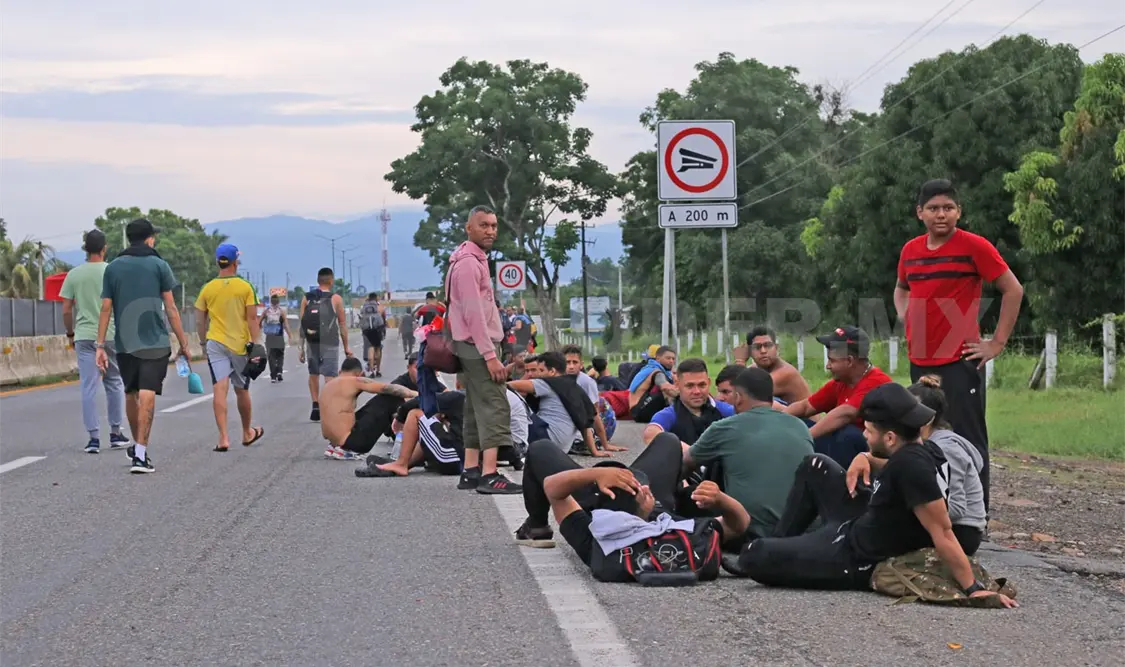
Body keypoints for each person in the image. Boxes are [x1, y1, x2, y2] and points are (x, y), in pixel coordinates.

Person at [734, 383, 1017, 609]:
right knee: (815, 464)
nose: (865, 437)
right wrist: (865, 457)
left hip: (856, 558)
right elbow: (890, 465)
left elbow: (943, 531)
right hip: (857, 523)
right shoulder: (923, 450)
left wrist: (973, 589)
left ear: (891, 437)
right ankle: (783, 542)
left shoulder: (912, 468)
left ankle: (777, 549)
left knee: (754, 555)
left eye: (868, 432)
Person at [895, 179, 1024, 509]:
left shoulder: (974, 246)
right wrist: (907, 316)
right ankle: (934, 507)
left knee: (967, 437)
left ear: (959, 212)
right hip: (921, 357)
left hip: (959, 359)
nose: (942, 215)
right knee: (922, 431)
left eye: (948, 208)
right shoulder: (910, 250)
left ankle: (975, 516)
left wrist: (997, 343)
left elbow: (1013, 289)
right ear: (919, 213)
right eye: (934, 208)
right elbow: (902, 288)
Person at [514, 432, 750, 572]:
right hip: (651, 505)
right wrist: (720, 498)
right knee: (668, 440)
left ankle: (537, 527)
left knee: (539, 448)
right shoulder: (671, 528)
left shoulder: (592, 539)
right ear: (648, 500)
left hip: (592, 494)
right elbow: (739, 523)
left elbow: (553, 488)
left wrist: (595, 476)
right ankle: (679, 490)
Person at [847, 375, 986, 553]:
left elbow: (957, 508)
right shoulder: (916, 446)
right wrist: (865, 457)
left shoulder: (946, 449)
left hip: (962, 532)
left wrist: (911, 504)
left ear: (925, 418)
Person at [95, 218, 191, 474]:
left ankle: (138, 448)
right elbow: (170, 307)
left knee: (131, 392)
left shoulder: (113, 267)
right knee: (148, 390)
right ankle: (140, 453)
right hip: (155, 341)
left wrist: (100, 345)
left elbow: (105, 307)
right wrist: (183, 341)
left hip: (125, 343)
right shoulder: (159, 265)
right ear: (149, 238)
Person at [684, 367, 814, 539]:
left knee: (694, 490)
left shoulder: (724, 427)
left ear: (738, 397)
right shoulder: (800, 426)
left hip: (748, 530)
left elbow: (685, 464)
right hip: (801, 531)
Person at [446, 204, 521, 494]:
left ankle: (471, 470)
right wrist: (490, 356)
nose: (490, 230)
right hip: (478, 346)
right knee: (494, 404)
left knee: (475, 407)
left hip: (474, 345)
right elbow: (473, 314)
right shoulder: (467, 263)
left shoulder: (472, 259)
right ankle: (491, 474)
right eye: (483, 225)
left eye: (493, 225)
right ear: (469, 228)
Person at [783, 326, 892, 468]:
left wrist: (803, 438)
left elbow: (845, 414)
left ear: (849, 361)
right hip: (848, 448)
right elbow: (805, 407)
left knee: (846, 433)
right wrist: (775, 421)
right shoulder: (842, 382)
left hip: (878, 454)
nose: (828, 366)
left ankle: (847, 486)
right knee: (800, 424)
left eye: (831, 360)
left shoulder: (876, 382)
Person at [61, 229, 129, 453]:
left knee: (88, 386)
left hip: (84, 336)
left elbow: (67, 309)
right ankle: (116, 433)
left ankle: (93, 438)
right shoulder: (113, 271)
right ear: (104, 248)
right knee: (114, 382)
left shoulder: (74, 274)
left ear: (84, 249)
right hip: (110, 334)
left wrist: (71, 333)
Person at [195, 244, 266, 452]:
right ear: (236, 262)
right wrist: (257, 343)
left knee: (220, 388)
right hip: (240, 345)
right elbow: (252, 318)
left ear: (218, 261)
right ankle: (246, 433)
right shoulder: (245, 287)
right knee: (242, 390)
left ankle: (223, 438)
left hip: (215, 343)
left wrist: (202, 342)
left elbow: (200, 320)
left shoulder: (207, 288)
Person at [319, 357, 419, 460]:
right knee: (390, 398)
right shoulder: (355, 380)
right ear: (360, 373)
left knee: (375, 402)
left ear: (340, 371)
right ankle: (407, 445)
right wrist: (417, 395)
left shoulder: (328, 386)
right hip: (352, 443)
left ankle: (335, 446)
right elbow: (388, 388)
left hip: (334, 440)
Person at [507, 351, 602, 456]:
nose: (537, 374)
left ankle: (513, 445)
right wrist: (594, 452)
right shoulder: (573, 387)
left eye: (540, 370)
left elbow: (509, 386)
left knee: (511, 398)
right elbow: (585, 424)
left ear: (552, 371)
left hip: (545, 439)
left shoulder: (549, 383)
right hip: (561, 448)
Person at [642, 358, 733, 448]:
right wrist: (692, 454)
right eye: (690, 386)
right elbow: (650, 435)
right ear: (677, 385)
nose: (697, 391)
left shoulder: (725, 410)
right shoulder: (669, 414)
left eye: (702, 385)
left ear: (709, 383)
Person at [298, 267, 351, 422]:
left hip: (312, 342)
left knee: (313, 373)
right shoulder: (336, 299)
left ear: (318, 281)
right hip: (330, 342)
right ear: (331, 281)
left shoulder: (307, 298)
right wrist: (346, 347)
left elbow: (302, 324)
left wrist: (300, 348)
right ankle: (328, 407)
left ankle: (315, 404)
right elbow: (342, 325)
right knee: (330, 376)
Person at [562, 345, 625, 455]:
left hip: (580, 430)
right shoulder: (554, 379)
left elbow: (594, 415)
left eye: (574, 362)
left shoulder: (587, 382)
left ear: (581, 364)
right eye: (567, 362)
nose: (571, 366)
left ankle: (585, 442)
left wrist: (605, 445)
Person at [734, 326, 810, 405]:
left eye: (768, 345)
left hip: (802, 417)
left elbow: (746, 394)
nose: (763, 351)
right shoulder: (753, 369)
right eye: (757, 347)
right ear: (749, 351)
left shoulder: (785, 373)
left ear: (776, 348)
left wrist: (740, 361)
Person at [628, 345, 677, 423]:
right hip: (639, 411)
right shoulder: (655, 371)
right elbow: (665, 387)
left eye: (673, 359)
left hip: (644, 407)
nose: (671, 361)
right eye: (668, 358)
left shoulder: (665, 372)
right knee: (665, 393)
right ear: (658, 358)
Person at [260, 293, 290, 382]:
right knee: (280, 355)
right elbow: (286, 325)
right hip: (279, 336)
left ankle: (273, 376)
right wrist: (290, 335)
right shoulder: (281, 311)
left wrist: (261, 328)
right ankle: (279, 371)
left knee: (271, 356)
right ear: (278, 302)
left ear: (271, 302)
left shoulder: (266, 311)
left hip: (269, 337)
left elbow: (259, 322)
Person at [359, 292, 388, 378]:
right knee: (378, 348)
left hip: (367, 330)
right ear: (376, 298)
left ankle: (371, 371)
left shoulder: (364, 307)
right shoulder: (380, 307)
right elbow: (383, 317)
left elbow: (361, 317)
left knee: (370, 348)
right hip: (377, 329)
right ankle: (378, 370)